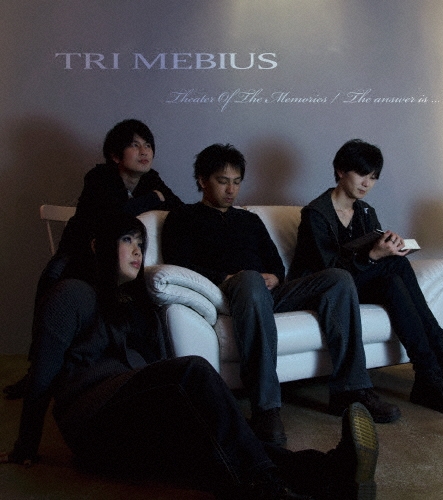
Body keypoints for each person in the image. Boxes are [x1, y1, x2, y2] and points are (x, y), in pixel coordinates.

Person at [1, 212, 381, 500]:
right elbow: (43, 373)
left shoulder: (136, 304)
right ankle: (266, 489)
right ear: (97, 246)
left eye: (140, 242)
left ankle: (333, 471)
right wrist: (25, 446)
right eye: (127, 240)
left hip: (134, 418)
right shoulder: (72, 294)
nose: (137, 250)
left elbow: (154, 370)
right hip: (93, 424)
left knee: (222, 439)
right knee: (194, 374)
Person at [161, 144, 401, 448]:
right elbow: (179, 264)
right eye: (223, 181)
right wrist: (225, 277)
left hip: (271, 293)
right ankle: (266, 409)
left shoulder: (249, 220)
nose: (231, 190)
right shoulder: (182, 217)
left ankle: (350, 391)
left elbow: (275, 264)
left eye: (236, 182)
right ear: (202, 180)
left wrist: (275, 276)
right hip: (229, 293)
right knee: (249, 278)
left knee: (338, 278)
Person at [288, 138, 443, 417]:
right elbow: (329, 273)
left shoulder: (365, 212)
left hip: (356, 285)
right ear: (340, 171)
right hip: (325, 292)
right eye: (362, 174)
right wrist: (374, 256)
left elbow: (372, 262)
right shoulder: (315, 214)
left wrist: (389, 249)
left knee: (393, 276)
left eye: (374, 177)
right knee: (392, 268)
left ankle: (430, 378)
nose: (367, 183)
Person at [3, 119, 183, 400]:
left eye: (148, 145)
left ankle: (145, 366)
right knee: (53, 279)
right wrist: (152, 199)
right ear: (115, 155)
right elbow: (111, 219)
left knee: (143, 294)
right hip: (81, 253)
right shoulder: (99, 178)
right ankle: (38, 369)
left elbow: (178, 209)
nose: (144, 151)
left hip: (119, 260)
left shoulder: (151, 179)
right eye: (134, 145)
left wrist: (153, 197)